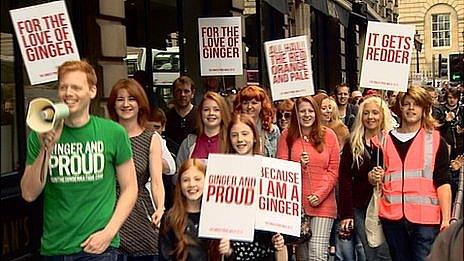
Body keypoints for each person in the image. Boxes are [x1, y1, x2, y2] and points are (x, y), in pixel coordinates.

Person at [21, 60, 138, 258]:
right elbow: (29, 193)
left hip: (98, 248)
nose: (68, 93)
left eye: (76, 87)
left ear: (92, 91)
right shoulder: (40, 135)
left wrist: (109, 233)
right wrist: (46, 150)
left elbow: (130, 188)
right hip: (55, 247)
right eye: (63, 87)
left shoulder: (113, 132)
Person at [370, 86, 451, 261]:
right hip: (392, 217)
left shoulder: (436, 140)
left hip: (426, 219)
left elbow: (443, 182)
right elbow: (373, 176)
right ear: (400, 108)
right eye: (407, 104)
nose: (411, 108)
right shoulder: (382, 140)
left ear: (424, 109)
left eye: (416, 104)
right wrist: (374, 177)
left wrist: (446, 219)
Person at [107, 78, 165, 260]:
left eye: (131, 99)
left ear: (140, 103)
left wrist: (161, 207)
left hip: (139, 213)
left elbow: (156, 181)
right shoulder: (105, 135)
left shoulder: (151, 138)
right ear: (113, 105)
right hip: (107, 212)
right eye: (120, 99)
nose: (126, 104)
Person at [277, 96, 340, 261]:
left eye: (310, 111)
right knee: (302, 256)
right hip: (297, 205)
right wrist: (297, 165)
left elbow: (333, 171)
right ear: (296, 114)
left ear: (316, 113)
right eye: (302, 111)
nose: (306, 115)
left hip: (323, 203)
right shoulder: (286, 136)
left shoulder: (329, 135)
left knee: (317, 254)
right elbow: (281, 170)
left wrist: (319, 194)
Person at [225, 113, 287, 260]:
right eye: (234, 135)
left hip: (265, 248)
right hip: (235, 249)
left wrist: (279, 238)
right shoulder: (223, 170)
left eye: (245, 134)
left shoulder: (268, 170)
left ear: (254, 137)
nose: (240, 139)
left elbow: (277, 212)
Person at [338, 96, 393, 261]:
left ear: (382, 115)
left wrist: (384, 176)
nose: (371, 117)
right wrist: (346, 213)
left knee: (386, 252)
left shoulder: (392, 141)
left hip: (388, 206)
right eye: (366, 113)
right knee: (370, 251)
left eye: (375, 113)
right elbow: (345, 178)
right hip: (361, 206)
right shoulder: (353, 143)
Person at [159, 159, 232, 261]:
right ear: (179, 184)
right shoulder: (169, 218)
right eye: (186, 180)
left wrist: (228, 251)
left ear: (206, 181)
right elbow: (164, 257)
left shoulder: (217, 217)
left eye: (197, 179)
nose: (192, 184)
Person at [176, 91, 231, 169]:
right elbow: (178, 173)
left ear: (223, 113)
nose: (211, 113)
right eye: (206, 110)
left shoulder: (232, 141)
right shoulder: (188, 143)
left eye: (216, 110)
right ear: (200, 113)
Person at [233, 85, 280, 157]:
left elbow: (277, 159)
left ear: (262, 105)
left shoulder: (272, 131)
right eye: (245, 103)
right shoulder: (233, 129)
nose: (249, 107)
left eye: (254, 103)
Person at [148, 107, 176, 211]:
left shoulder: (159, 140)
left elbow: (171, 168)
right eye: (148, 128)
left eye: (156, 127)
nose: (153, 132)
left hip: (156, 195)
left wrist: (152, 156)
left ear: (163, 127)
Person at [164, 76, 198, 154]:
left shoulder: (199, 115)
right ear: (173, 93)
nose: (182, 95)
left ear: (192, 94)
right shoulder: (166, 116)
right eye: (178, 91)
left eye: (186, 91)